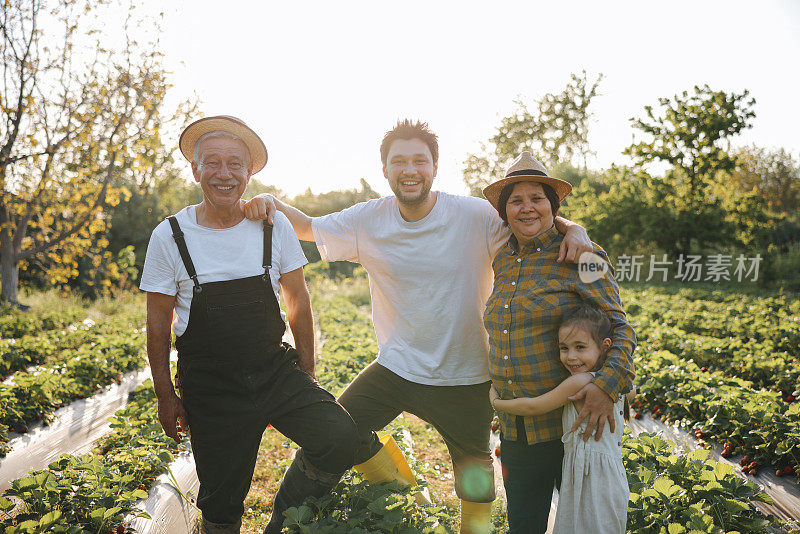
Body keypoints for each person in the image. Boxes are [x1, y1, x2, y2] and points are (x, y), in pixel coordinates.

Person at [242, 120, 602, 533]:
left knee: (476, 479)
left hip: (466, 373)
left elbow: (531, 214)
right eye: (399, 161)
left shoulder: (474, 214)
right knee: (337, 430)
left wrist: (576, 229)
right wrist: (270, 198)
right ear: (385, 171)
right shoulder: (367, 219)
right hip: (396, 368)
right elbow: (306, 225)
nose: (409, 169)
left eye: (420, 160)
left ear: (434, 167)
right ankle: (397, 491)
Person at [139, 115, 356, 534]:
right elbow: (156, 323)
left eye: (235, 163)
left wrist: (306, 373)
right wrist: (166, 396)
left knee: (338, 437)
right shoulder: (170, 237)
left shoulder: (271, 227)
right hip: (211, 385)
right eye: (213, 162)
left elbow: (298, 301)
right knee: (221, 504)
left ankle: (284, 517)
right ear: (195, 169)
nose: (224, 173)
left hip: (275, 370)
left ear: (250, 171)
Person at [481, 151, 636, 533]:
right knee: (524, 526)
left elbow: (620, 327)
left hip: (573, 426)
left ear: (554, 206)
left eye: (538, 199)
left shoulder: (582, 255)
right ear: (504, 211)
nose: (527, 208)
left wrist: (606, 387)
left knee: (585, 524)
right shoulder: (502, 259)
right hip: (519, 428)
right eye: (516, 200)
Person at [489, 303, 632, 534]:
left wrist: (496, 401)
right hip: (612, 476)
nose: (571, 356)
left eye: (580, 347)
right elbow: (632, 391)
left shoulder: (580, 382)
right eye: (564, 348)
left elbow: (534, 406)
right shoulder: (617, 384)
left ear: (606, 346)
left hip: (588, 477)